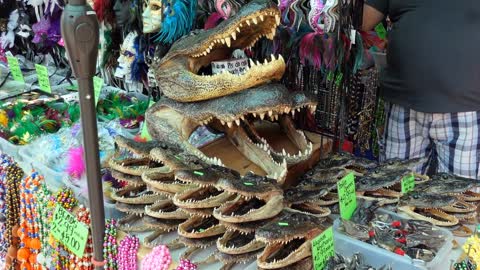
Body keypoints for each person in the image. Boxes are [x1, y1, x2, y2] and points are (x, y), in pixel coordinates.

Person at [362, 1, 480, 179]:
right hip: (403, 105)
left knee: (458, 200)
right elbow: (363, 20)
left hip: (464, 106)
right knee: (395, 190)